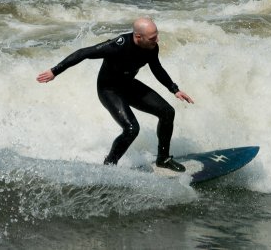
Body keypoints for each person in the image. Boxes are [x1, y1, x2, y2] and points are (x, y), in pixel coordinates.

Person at [36, 17, 194, 172]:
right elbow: (84, 53)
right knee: (132, 129)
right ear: (138, 37)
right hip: (109, 90)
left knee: (167, 112)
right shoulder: (118, 45)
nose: (157, 40)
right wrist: (54, 71)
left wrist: (174, 89)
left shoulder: (151, 47)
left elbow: (157, 68)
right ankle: (109, 167)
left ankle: (163, 159)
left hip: (128, 85)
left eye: (156, 35)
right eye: (153, 37)